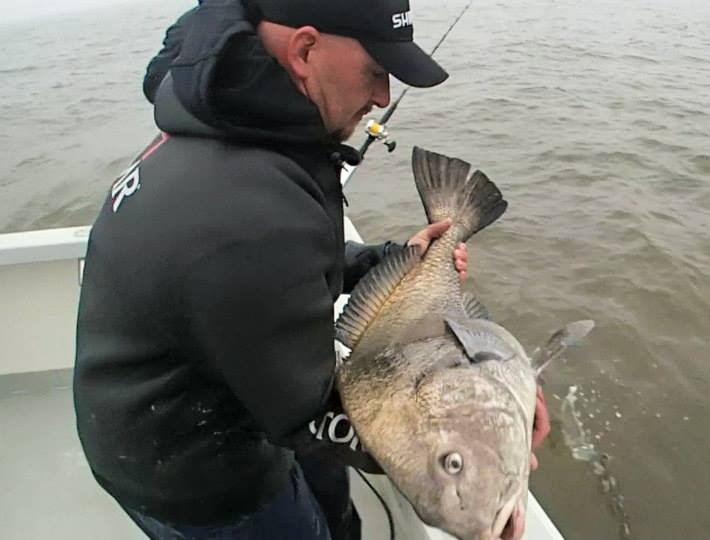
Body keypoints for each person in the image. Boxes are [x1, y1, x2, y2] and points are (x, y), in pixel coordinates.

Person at [73, 0, 549, 538]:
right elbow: (305, 415)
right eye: (375, 71)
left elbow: (282, 272)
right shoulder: (249, 213)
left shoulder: (228, 130)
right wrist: (490, 438)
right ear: (304, 50)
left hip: (172, 405)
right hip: (199, 477)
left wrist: (392, 258)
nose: (382, 97)